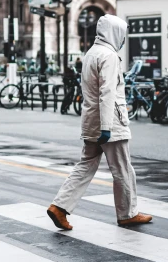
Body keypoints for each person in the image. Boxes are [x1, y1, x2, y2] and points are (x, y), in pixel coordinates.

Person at [47, 14, 152, 231]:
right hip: (110, 122)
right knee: (123, 169)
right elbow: (107, 93)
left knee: (85, 165)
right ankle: (127, 214)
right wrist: (107, 127)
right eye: (122, 34)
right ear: (114, 33)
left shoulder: (91, 54)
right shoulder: (109, 56)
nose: (122, 39)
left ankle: (59, 206)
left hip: (91, 120)